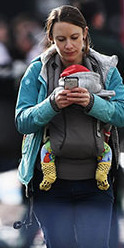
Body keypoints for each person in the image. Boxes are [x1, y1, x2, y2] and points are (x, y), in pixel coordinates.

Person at [15, 5, 124, 248]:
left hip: (96, 181)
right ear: (51, 39)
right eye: (60, 39)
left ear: (86, 36)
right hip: (52, 183)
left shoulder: (105, 69)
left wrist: (94, 103)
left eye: (75, 38)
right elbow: (22, 119)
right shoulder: (37, 71)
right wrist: (51, 104)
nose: (68, 46)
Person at [73, 0, 124, 248]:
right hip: (109, 136)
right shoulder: (114, 48)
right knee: (109, 191)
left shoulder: (66, 51)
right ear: (98, 18)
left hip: (73, 138)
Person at [37, 63, 115, 192]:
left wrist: (53, 105)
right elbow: (110, 121)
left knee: (46, 150)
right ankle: (102, 172)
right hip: (95, 144)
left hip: (59, 143)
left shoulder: (58, 95)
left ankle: (49, 173)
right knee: (107, 150)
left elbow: (42, 120)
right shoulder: (100, 95)